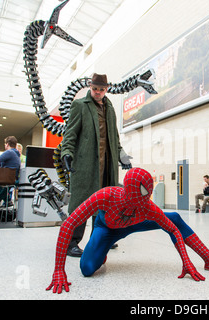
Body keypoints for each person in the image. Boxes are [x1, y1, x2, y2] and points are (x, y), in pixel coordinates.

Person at [46, 167, 209, 294]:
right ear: (127, 191)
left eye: (148, 194)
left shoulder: (146, 206)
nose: (145, 199)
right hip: (107, 229)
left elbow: (174, 230)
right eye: (141, 195)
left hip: (136, 223)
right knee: (87, 269)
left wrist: (186, 261)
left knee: (175, 218)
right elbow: (69, 224)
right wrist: (58, 271)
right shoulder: (105, 196)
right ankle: (101, 251)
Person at [61, 73, 132, 257]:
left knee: (105, 204)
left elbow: (114, 137)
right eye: (95, 89)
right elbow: (70, 134)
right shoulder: (79, 105)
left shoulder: (109, 108)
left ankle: (100, 239)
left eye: (101, 89)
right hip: (86, 164)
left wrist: (122, 156)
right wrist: (66, 153)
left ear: (106, 89)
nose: (98, 92)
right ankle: (71, 243)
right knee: (81, 204)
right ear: (89, 87)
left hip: (106, 164)